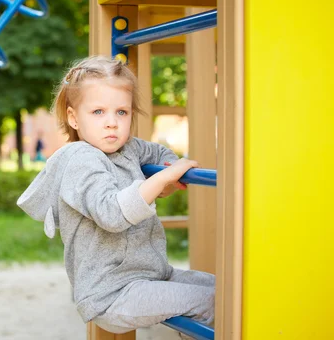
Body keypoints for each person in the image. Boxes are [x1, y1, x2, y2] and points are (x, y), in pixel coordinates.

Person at [17, 55, 214, 335]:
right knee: (212, 302)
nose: (112, 123)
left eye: (121, 112)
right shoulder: (81, 159)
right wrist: (162, 179)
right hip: (111, 294)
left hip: (151, 275)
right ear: (74, 118)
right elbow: (112, 214)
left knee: (225, 290)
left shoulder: (128, 148)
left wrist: (170, 169)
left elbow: (157, 153)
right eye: (98, 112)